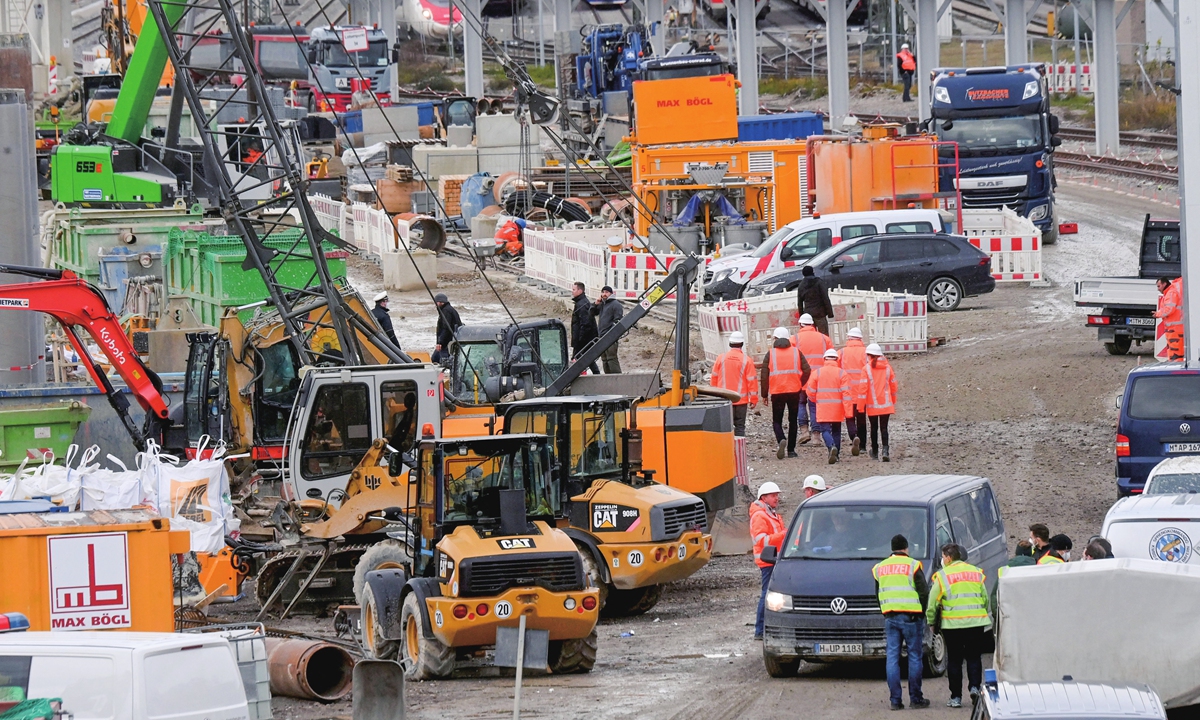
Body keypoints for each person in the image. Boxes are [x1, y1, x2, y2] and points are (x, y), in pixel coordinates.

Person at [927, 544, 990, 708]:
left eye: (942, 556)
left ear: (948, 557)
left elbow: (933, 603)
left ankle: (955, 697)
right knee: (974, 657)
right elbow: (985, 598)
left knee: (955, 660)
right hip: (976, 622)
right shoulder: (976, 572)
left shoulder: (942, 576)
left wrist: (931, 622)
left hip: (952, 625)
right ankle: (975, 687)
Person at [873, 534, 931, 711]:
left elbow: (878, 594)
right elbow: (923, 592)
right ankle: (915, 698)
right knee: (914, 656)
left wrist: (886, 611)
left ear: (892, 548)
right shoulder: (913, 565)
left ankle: (895, 701)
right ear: (906, 548)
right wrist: (921, 612)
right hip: (912, 617)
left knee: (892, 658)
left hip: (890, 616)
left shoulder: (879, 568)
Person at [760, 327, 812, 459]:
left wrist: (764, 394)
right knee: (792, 420)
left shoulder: (770, 354)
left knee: (777, 420)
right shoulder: (796, 352)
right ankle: (791, 450)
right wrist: (799, 383)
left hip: (777, 391)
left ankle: (781, 439)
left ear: (776, 339)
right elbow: (807, 370)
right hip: (794, 391)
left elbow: (764, 375)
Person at [751, 481, 787, 641]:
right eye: (773, 495)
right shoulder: (760, 515)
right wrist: (783, 535)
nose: (776, 498)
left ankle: (765, 628)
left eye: (777, 495)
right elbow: (761, 540)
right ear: (764, 497)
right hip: (767, 561)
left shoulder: (771, 514)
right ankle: (760, 629)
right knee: (767, 594)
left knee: (772, 594)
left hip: (774, 559)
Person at [806, 348, 853, 465]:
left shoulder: (817, 372)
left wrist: (814, 400)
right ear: (836, 359)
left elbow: (810, 391)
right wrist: (848, 412)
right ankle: (836, 455)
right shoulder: (842, 373)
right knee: (836, 431)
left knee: (825, 430)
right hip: (837, 408)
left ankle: (831, 447)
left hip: (823, 407)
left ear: (824, 359)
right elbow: (846, 394)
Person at [795, 313, 834, 444]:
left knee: (801, 403)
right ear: (813, 324)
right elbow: (831, 358)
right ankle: (816, 436)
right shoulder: (824, 339)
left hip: (801, 378)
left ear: (800, 324)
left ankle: (804, 431)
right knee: (815, 406)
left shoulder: (794, 339)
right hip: (819, 379)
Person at [712, 331, 758, 436]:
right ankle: (739, 450)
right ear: (742, 344)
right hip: (741, 401)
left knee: (725, 428)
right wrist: (754, 399)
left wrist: (714, 397)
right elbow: (752, 381)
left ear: (730, 344)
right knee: (740, 427)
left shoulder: (721, 358)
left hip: (724, 399)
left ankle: (726, 451)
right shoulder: (747, 360)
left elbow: (714, 378)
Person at [864, 343, 898, 461]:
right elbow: (893, 385)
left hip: (872, 405)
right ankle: (885, 450)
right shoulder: (887, 367)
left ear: (869, 355)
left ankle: (874, 451)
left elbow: (863, 388)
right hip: (886, 404)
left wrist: (860, 405)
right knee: (884, 428)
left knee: (874, 428)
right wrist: (893, 400)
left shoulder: (866, 369)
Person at [840, 327, 869, 456]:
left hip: (847, 392)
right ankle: (862, 445)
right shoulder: (866, 352)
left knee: (849, 417)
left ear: (849, 338)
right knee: (861, 418)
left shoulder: (841, 353)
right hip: (862, 393)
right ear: (860, 339)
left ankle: (853, 437)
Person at [591, 285, 624, 374]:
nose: (604, 294)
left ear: (611, 294)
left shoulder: (616, 305)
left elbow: (618, 321)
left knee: (611, 358)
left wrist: (611, 335)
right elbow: (591, 313)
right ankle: (608, 379)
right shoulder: (602, 304)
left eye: (607, 292)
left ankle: (617, 379)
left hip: (610, 337)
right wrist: (595, 304)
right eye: (603, 292)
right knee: (604, 360)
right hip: (601, 336)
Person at [570, 282, 601, 375]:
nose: (572, 292)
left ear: (580, 290)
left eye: (574, 290)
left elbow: (585, 323)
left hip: (583, 339)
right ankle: (596, 374)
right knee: (587, 359)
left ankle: (577, 377)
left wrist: (580, 339)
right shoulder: (581, 302)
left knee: (578, 358)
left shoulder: (582, 304)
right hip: (582, 338)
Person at [796, 266, 835, 336]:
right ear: (812, 272)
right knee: (824, 336)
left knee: (810, 336)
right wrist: (830, 313)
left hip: (808, 314)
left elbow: (800, 303)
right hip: (820, 313)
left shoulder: (801, 285)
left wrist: (802, 316)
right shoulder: (819, 282)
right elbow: (825, 298)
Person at [1154, 276, 1184, 360]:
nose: (1158, 289)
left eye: (1159, 286)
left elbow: (1169, 309)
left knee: (1175, 354)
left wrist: (1158, 314)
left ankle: (1176, 371)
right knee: (1177, 354)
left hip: (1174, 330)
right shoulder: (1172, 291)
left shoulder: (1171, 293)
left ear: (1164, 284)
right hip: (1176, 329)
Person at [433, 293, 461, 364]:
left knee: (439, 359)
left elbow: (446, 327)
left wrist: (440, 342)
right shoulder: (448, 310)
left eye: (436, 302)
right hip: (449, 341)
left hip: (447, 342)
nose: (435, 304)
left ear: (440, 302)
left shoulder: (446, 311)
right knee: (436, 358)